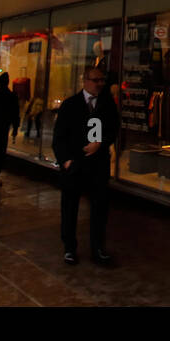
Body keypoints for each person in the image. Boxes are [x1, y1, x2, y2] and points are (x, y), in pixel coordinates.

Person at [52, 66, 118, 265]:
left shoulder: (106, 105)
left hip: (97, 165)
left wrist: (101, 143)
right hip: (75, 164)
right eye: (96, 80)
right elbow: (59, 137)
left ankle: (97, 247)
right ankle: (69, 248)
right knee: (70, 207)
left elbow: (113, 129)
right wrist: (66, 161)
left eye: (102, 80)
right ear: (85, 81)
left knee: (99, 207)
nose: (100, 84)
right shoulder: (70, 105)